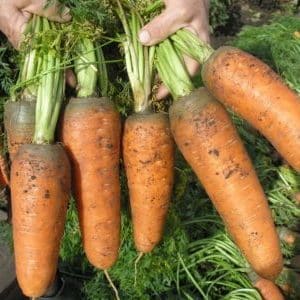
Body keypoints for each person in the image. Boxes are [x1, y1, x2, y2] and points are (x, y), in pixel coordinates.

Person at [0, 0, 210, 299]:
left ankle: (47, 283)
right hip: (31, 45)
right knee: (30, 207)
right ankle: (43, 284)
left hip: (122, 61)